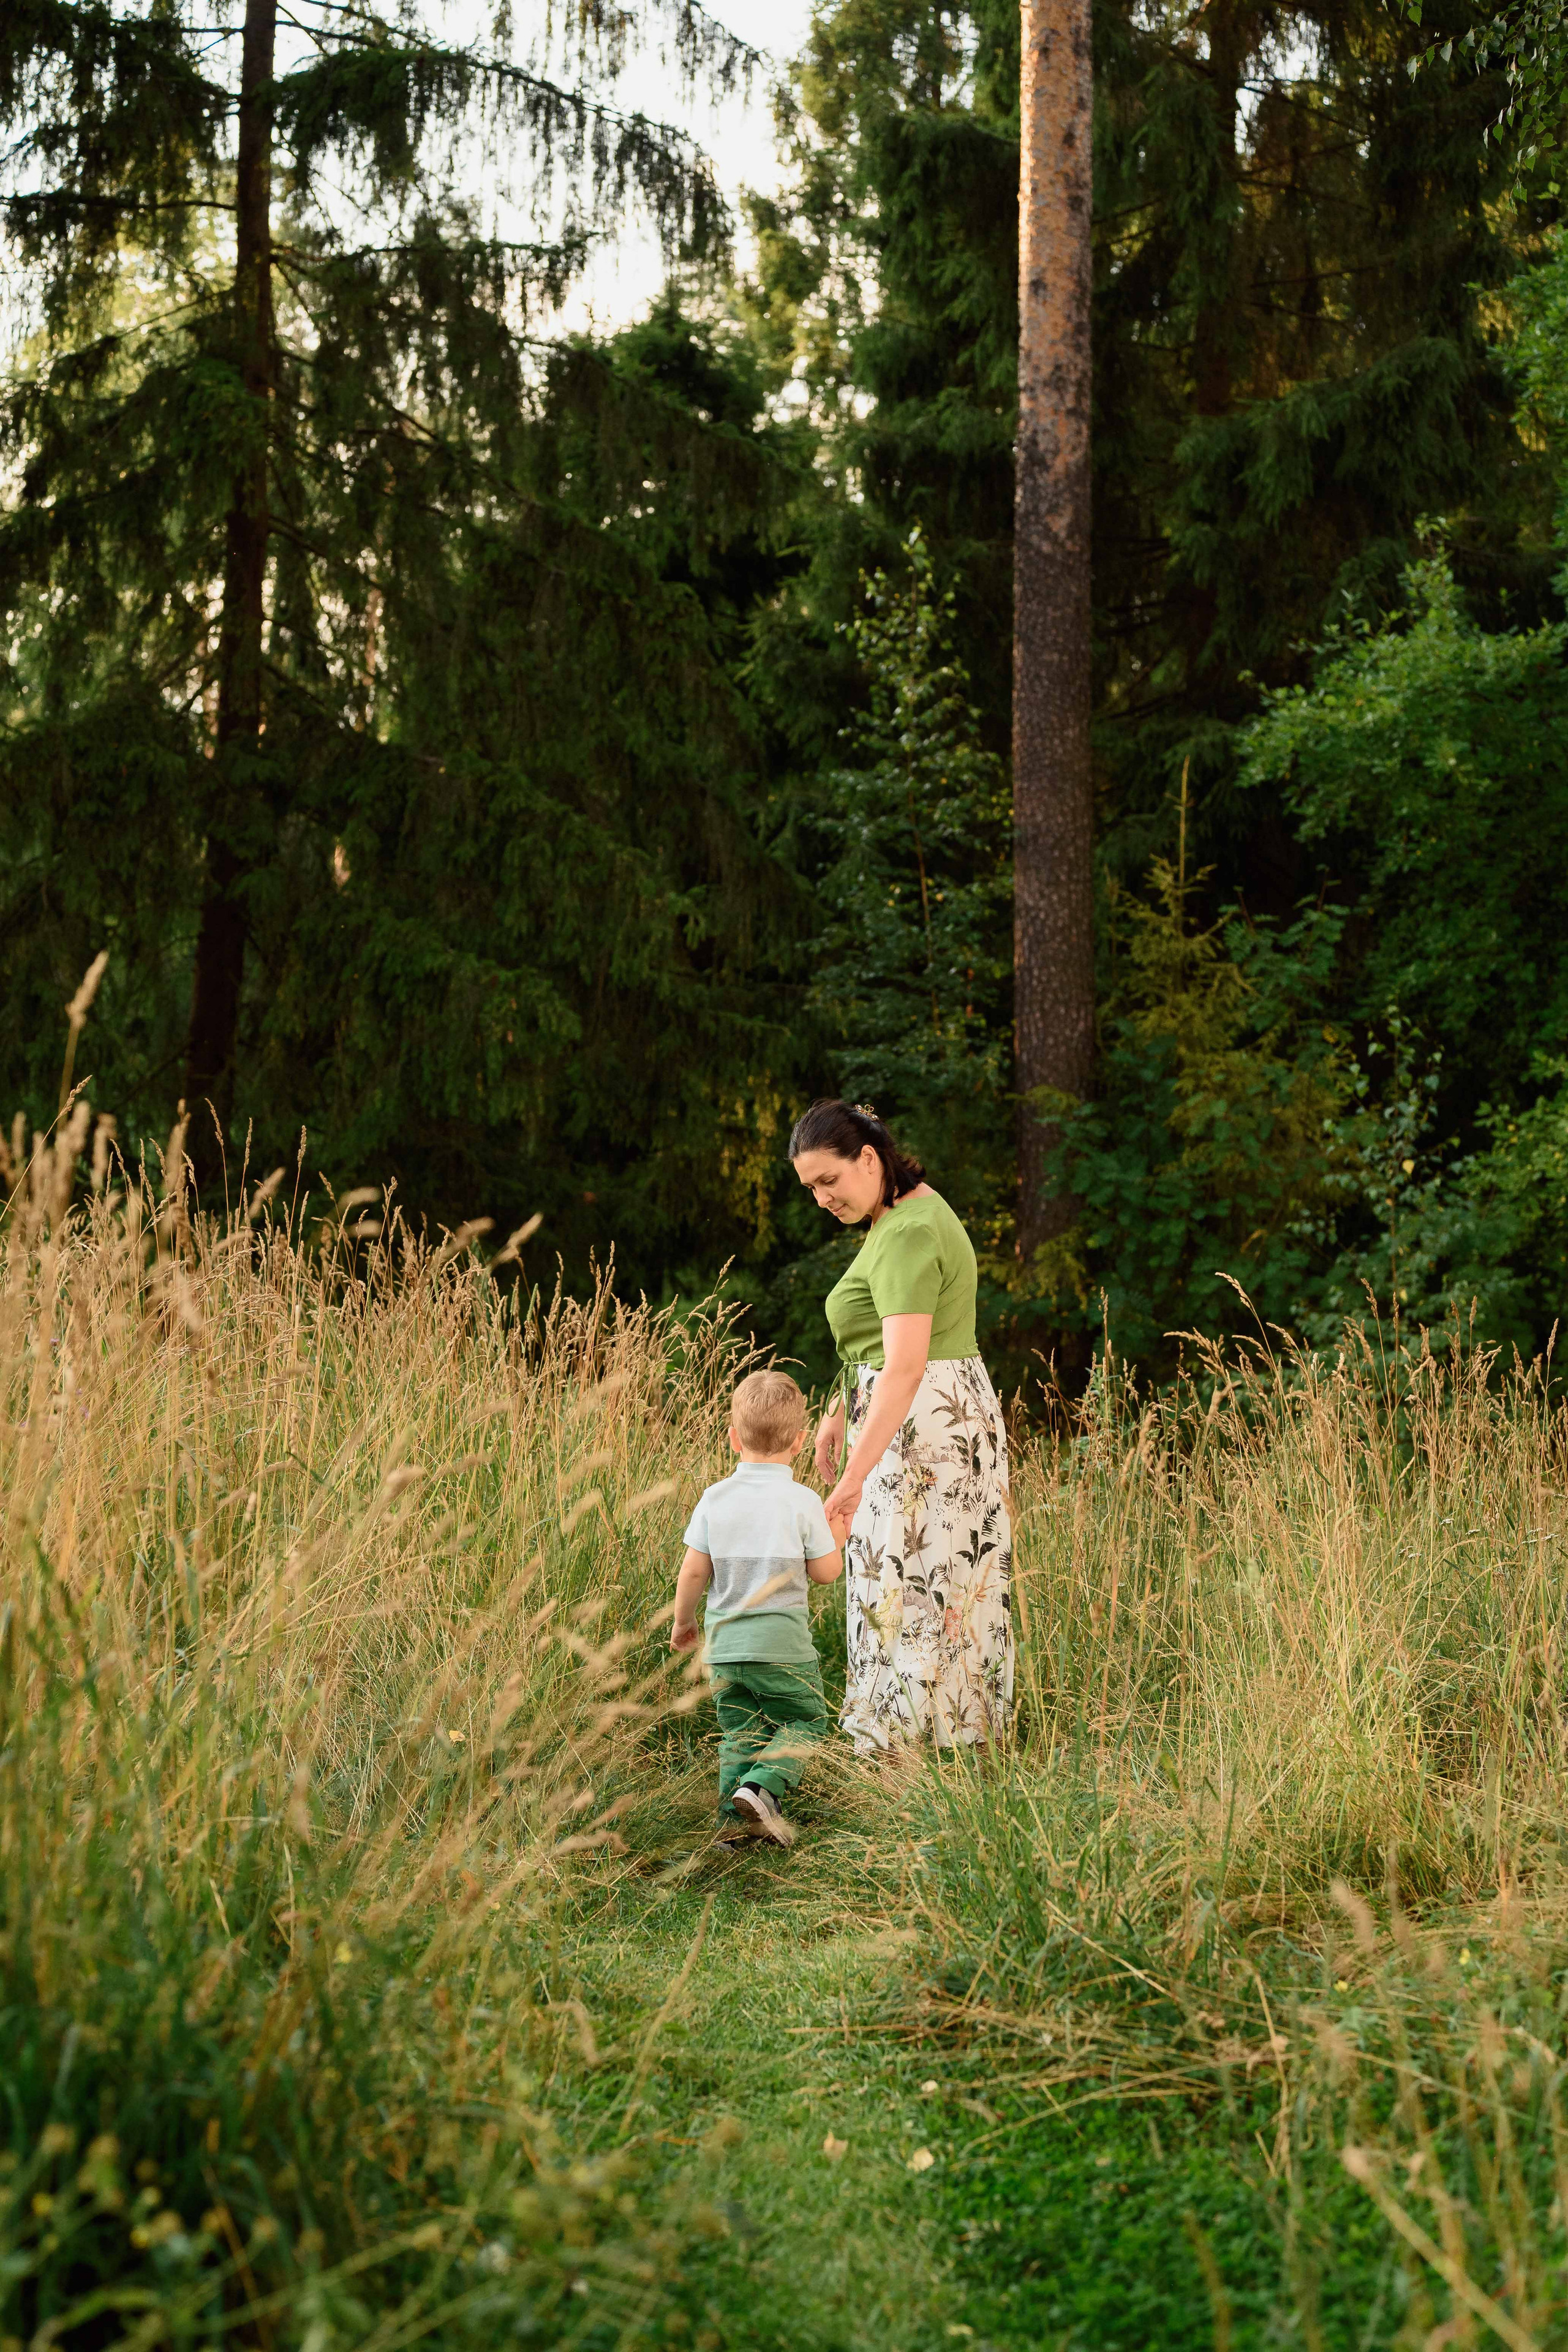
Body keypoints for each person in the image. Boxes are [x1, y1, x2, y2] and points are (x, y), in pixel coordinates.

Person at [790, 1098, 1012, 1754]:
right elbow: (878, 1344)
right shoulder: (910, 1208)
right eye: (810, 1189)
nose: (822, 1199)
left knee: (910, 1582)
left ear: (867, 1159)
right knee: (930, 1580)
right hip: (926, 1414)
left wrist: (853, 1478)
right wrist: (839, 1408)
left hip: (922, 1428)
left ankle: (904, 1750)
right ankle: (945, 1738)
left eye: (829, 1181)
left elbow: (907, 1364)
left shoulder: (907, 1231)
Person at [670, 1367, 843, 1845]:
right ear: (800, 1441)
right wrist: (839, 1536)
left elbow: (692, 1572)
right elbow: (826, 1572)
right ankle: (763, 1790)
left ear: (732, 1438)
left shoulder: (715, 1498)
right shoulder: (803, 1500)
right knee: (805, 1721)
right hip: (783, 1648)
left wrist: (684, 1622)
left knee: (740, 1736)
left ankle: (734, 1829)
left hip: (725, 1649)